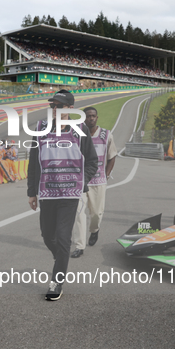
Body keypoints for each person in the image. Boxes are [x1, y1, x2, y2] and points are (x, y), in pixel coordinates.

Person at [27, 89, 98, 301]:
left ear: (70, 109)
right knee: (48, 236)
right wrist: (32, 192)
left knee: (64, 236)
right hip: (47, 194)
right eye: (52, 106)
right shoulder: (40, 129)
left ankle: (56, 282)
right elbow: (33, 162)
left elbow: (92, 161)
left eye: (59, 106)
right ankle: (61, 258)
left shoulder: (81, 130)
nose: (54, 109)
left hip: (70, 195)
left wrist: (81, 180)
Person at [70, 107, 117, 258]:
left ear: (97, 117)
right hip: (80, 181)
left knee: (96, 213)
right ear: (83, 119)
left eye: (93, 116)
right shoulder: (76, 134)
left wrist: (107, 173)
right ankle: (79, 245)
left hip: (98, 181)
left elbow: (112, 156)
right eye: (87, 116)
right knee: (78, 213)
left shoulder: (106, 135)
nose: (90, 118)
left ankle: (94, 230)